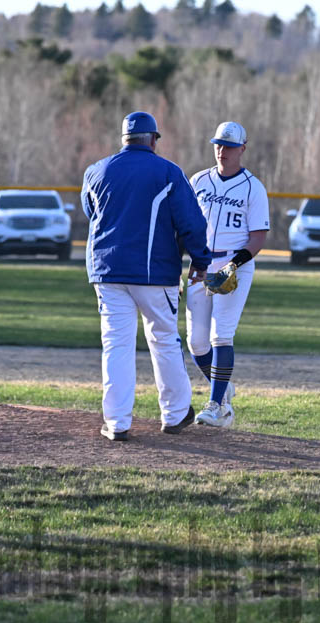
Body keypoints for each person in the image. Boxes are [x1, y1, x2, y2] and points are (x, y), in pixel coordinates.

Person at [82, 111, 212, 441]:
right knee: (164, 340)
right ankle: (175, 414)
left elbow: (91, 212)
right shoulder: (168, 171)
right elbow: (191, 223)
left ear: (124, 139)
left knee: (116, 345)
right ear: (153, 139)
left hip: (107, 271)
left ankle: (117, 423)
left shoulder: (96, 171)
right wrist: (201, 259)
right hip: (154, 272)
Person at [185, 121, 270, 427]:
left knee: (221, 335)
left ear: (242, 149)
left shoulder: (252, 187)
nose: (222, 151)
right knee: (196, 343)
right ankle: (222, 388)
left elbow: (258, 237)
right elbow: (184, 226)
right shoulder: (198, 181)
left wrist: (233, 265)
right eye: (219, 145)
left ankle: (217, 406)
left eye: (230, 146)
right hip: (201, 263)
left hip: (234, 265)